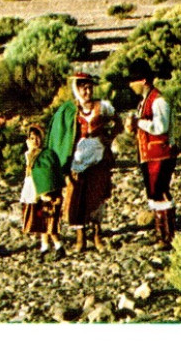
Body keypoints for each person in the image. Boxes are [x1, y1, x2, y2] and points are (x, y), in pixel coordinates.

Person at [54, 71, 117, 253]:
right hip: (77, 160)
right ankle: (80, 238)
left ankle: (97, 236)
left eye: (89, 87)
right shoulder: (71, 111)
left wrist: (109, 138)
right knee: (76, 199)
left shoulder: (102, 107)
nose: (87, 91)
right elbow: (62, 134)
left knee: (97, 198)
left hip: (98, 158)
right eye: (83, 88)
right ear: (76, 90)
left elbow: (116, 122)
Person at [127, 59, 178, 249]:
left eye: (132, 81)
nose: (130, 86)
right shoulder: (145, 102)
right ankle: (160, 233)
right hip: (148, 155)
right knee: (154, 193)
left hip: (161, 155)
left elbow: (160, 127)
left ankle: (168, 236)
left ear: (142, 81)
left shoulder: (159, 101)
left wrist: (138, 123)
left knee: (161, 192)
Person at [18, 122, 63, 258]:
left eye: (37, 138)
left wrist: (46, 191)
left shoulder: (47, 154)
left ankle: (59, 246)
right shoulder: (29, 155)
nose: (35, 141)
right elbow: (31, 173)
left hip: (48, 193)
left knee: (49, 222)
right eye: (32, 138)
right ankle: (45, 247)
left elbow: (49, 173)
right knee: (41, 222)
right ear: (28, 141)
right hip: (34, 193)